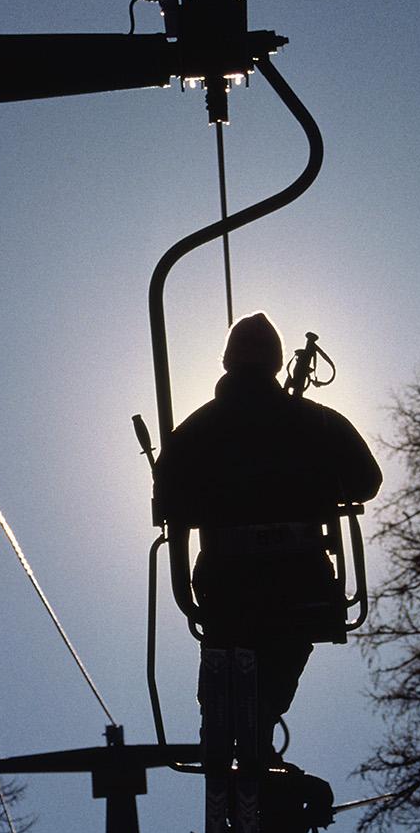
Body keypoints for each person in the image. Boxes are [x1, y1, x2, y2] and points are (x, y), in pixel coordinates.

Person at [152, 311, 383, 743]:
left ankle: (223, 718)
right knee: (284, 647)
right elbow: (367, 481)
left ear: (227, 362)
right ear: (276, 363)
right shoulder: (317, 420)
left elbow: (168, 499)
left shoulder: (196, 430)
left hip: (226, 581)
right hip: (301, 579)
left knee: (227, 639)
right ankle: (260, 717)